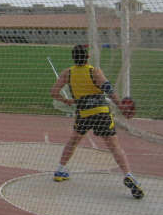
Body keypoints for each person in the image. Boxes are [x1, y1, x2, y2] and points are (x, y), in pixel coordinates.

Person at [50, 44, 144, 199]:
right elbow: (109, 89)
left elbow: (53, 92)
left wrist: (66, 100)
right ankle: (128, 175)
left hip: (84, 113)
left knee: (73, 141)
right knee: (114, 146)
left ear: (73, 58)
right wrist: (120, 105)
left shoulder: (68, 73)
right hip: (101, 112)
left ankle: (60, 170)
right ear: (87, 57)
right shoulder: (94, 71)